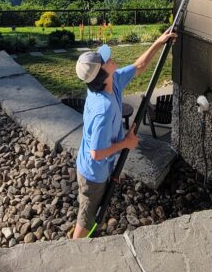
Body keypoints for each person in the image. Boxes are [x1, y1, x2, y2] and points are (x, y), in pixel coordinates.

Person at [72, 28, 177, 239]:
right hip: (93, 174)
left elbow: (139, 66)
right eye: (106, 60)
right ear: (103, 74)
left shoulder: (113, 82)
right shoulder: (103, 108)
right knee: (87, 217)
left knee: (93, 211)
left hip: (102, 168)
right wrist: (126, 143)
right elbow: (96, 153)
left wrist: (159, 41)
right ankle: (75, 247)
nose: (111, 59)